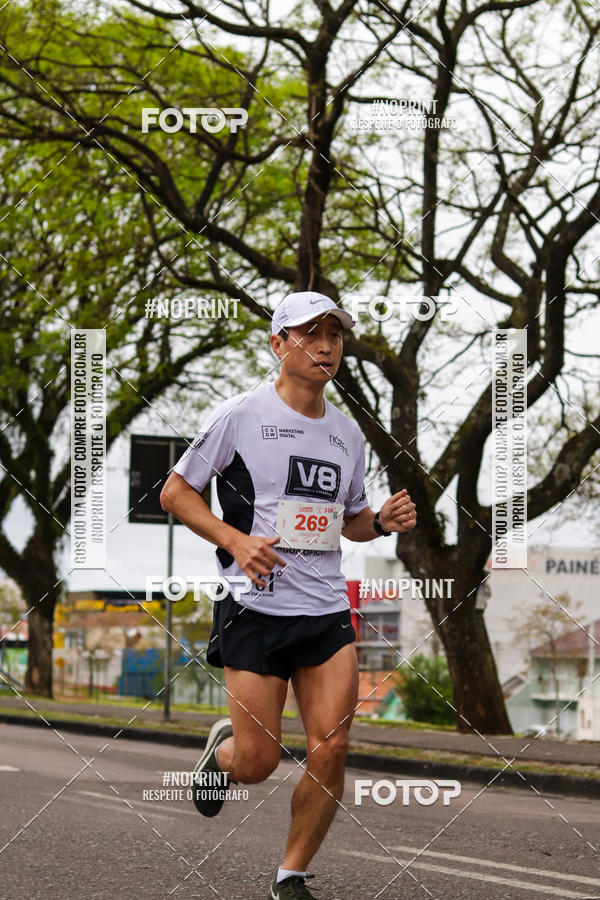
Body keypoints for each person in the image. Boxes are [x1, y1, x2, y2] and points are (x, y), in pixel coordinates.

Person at [160, 291, 417, 900]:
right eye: (309, 333)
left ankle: (291, 875)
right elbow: (175, 492)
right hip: (253, 608)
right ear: (278, 344)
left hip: (325, 609)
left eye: (335, 334)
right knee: (259, 763)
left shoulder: (347, 435)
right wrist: (236, 540)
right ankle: (223, 756)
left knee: (332, 747)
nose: (326, 345)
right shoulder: (239, 417)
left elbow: (347, 518)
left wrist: (379, 521)